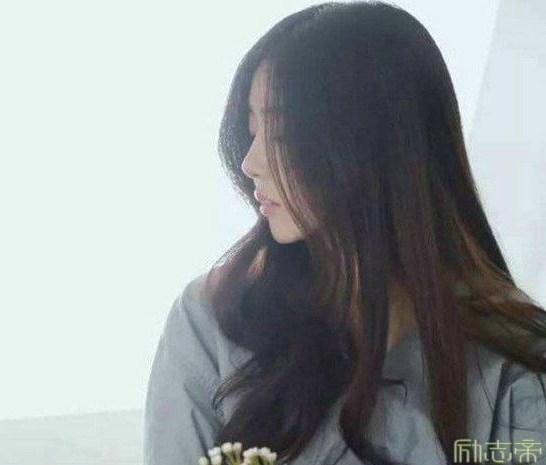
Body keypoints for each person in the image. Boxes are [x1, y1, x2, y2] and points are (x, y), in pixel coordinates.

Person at [143, 2, 546, 464]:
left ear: (374, 146)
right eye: (251, 131)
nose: (250, 163)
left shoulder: (513, 363)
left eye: (281, 135)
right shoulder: (213, 321)